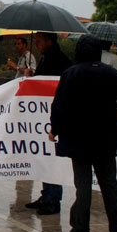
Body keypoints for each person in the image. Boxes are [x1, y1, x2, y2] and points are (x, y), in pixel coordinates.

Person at [50, 35, 117, 232]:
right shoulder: (112, 74)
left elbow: (59, 105)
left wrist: (55, 129)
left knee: (83, 184)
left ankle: (80, 230)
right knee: (109, 183)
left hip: (78, 137)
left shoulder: (71, 74)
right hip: (105, 138)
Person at [24, 32, 71, 215]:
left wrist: (33, 79)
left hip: (52, 115)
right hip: (45, 116)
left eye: (39, 41)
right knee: (45, 156)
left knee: (52, 158)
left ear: (49, 41)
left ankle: (52, 198)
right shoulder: (48, 58)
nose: (37, 44)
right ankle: (46, 194)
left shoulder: (57, 59)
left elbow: (49, 84)